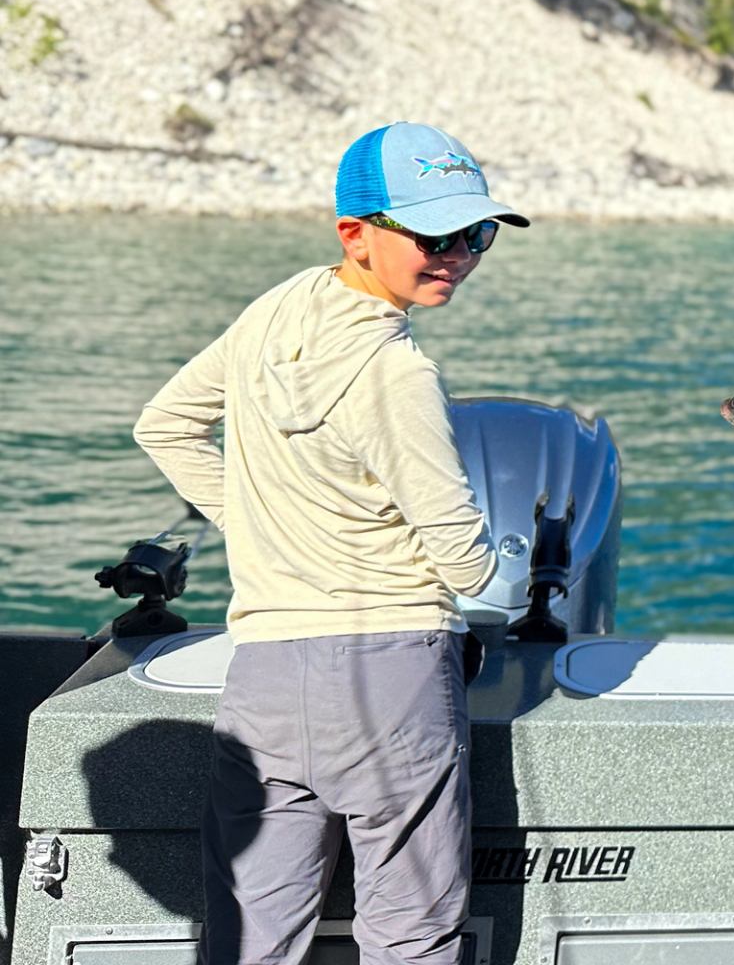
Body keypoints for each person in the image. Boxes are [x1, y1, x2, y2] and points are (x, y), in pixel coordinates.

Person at [133, 121, 528, 965]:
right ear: (355, 231)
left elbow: (163, 424)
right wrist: (514, 580)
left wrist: (261, 520)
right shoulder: (399, 374)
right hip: (390, 678)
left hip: (266, 677)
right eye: (434, 235)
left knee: (248, 940)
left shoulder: (273, 312)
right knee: (411, 935)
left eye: (478, 233)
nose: (458, 253)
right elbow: (463, 561)